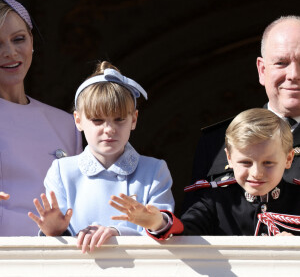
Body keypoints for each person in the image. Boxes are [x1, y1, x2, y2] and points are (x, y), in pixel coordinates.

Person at [28, 61, 175, 253]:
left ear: (134, 119)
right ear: (78, 120)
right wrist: (53, 231)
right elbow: (56, 244)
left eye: (119, 119)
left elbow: (166, 232)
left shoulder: (155, 170)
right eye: (97, 120)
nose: (109, 129)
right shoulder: (62, 171)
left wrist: (145, 224)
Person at [109, 108, 300, 237]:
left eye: (268, 163)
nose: (257, 173)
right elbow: (185, 232)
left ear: (289, 159)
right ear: (229, 159)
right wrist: (158, 222)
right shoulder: (215, 202)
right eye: (246, 162)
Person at [183, 15, 300, 211]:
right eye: (281, 63)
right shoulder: (217, 141)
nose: (294, 74)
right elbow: (194, 227)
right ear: (262, 70)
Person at [0, 0, 82, 236]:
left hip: (57, 260)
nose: (10, 52)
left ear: (32, 41)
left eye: (18, 39)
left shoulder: (67, 124)